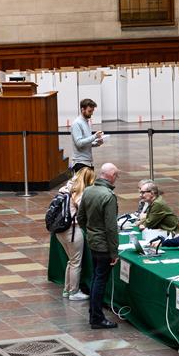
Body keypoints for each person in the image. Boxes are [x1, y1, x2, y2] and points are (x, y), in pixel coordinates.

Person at [76, 162, 120, 329]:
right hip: (103, 246)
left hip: (93, 242)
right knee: (100, 280)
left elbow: (81, 218)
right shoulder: (108, 196)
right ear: (111, 176)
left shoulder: (88, 190)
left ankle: (93, 311)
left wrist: (89, 233)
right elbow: (111, 227)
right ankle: (96, 317)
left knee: (96, 277)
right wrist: (114, 252)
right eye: (116, 176)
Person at [55, 167, 95, 301]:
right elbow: (83, 211)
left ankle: (67, 289)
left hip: (60, 229)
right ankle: (74, 292)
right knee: (76, 262)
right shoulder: (79, 193)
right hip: (73, 230)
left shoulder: (65, 188)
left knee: (71, 261)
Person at [70, 98, 104, 172]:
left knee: (90, 184)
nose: (91, 113)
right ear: (82, 109)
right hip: (80, 163)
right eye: (89, 111)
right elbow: (79, 143)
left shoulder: (87, 122)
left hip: (89, 162)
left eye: (92, 111)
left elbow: (86, 142)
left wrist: (96, 143)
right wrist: (94, 136)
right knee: (82, 184)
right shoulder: (77, 123)